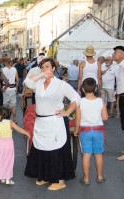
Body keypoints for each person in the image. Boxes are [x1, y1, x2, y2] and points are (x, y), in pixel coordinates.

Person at [24, 58, 80, 191]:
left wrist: (67, 112)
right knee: (41, 149)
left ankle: (59, 180)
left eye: (47, 67)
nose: (45, 69)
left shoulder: (60, 84)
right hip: (41, 122)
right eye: (42, 67)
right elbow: (27, 81)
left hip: (55, 122)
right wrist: (42, 74)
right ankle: (44, 176)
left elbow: (76, 98)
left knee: (56, 150)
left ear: (54, 68)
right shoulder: (38, 84)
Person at [74, 78, 108, 185]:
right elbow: (105, 117)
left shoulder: (80, 102)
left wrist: (76, 130)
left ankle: (86, 178)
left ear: (83, 89)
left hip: (85, 131)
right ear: (96, 88)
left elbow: (78, 119)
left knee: (86, 154)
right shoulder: (100, 101)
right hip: (98, 130)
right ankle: (100, 176)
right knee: (98, 154)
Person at [0, 106, 30, 185]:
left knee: (0, 160)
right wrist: (27, 133)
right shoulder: (10, 123)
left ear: (1, 115)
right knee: (8, 161)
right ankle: (8, 179)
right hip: (8, 145)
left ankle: (2, 177)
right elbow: (19, 129)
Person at [2, 58, 19, 123]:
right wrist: (16, 88)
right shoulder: (14, 69)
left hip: (5, 89)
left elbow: (1, 79)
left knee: (5, 105)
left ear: (5, 62)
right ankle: (14, 119)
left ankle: (5, 119)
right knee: (13, 104)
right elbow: (17, 80)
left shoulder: (2, 70)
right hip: (13, 88)